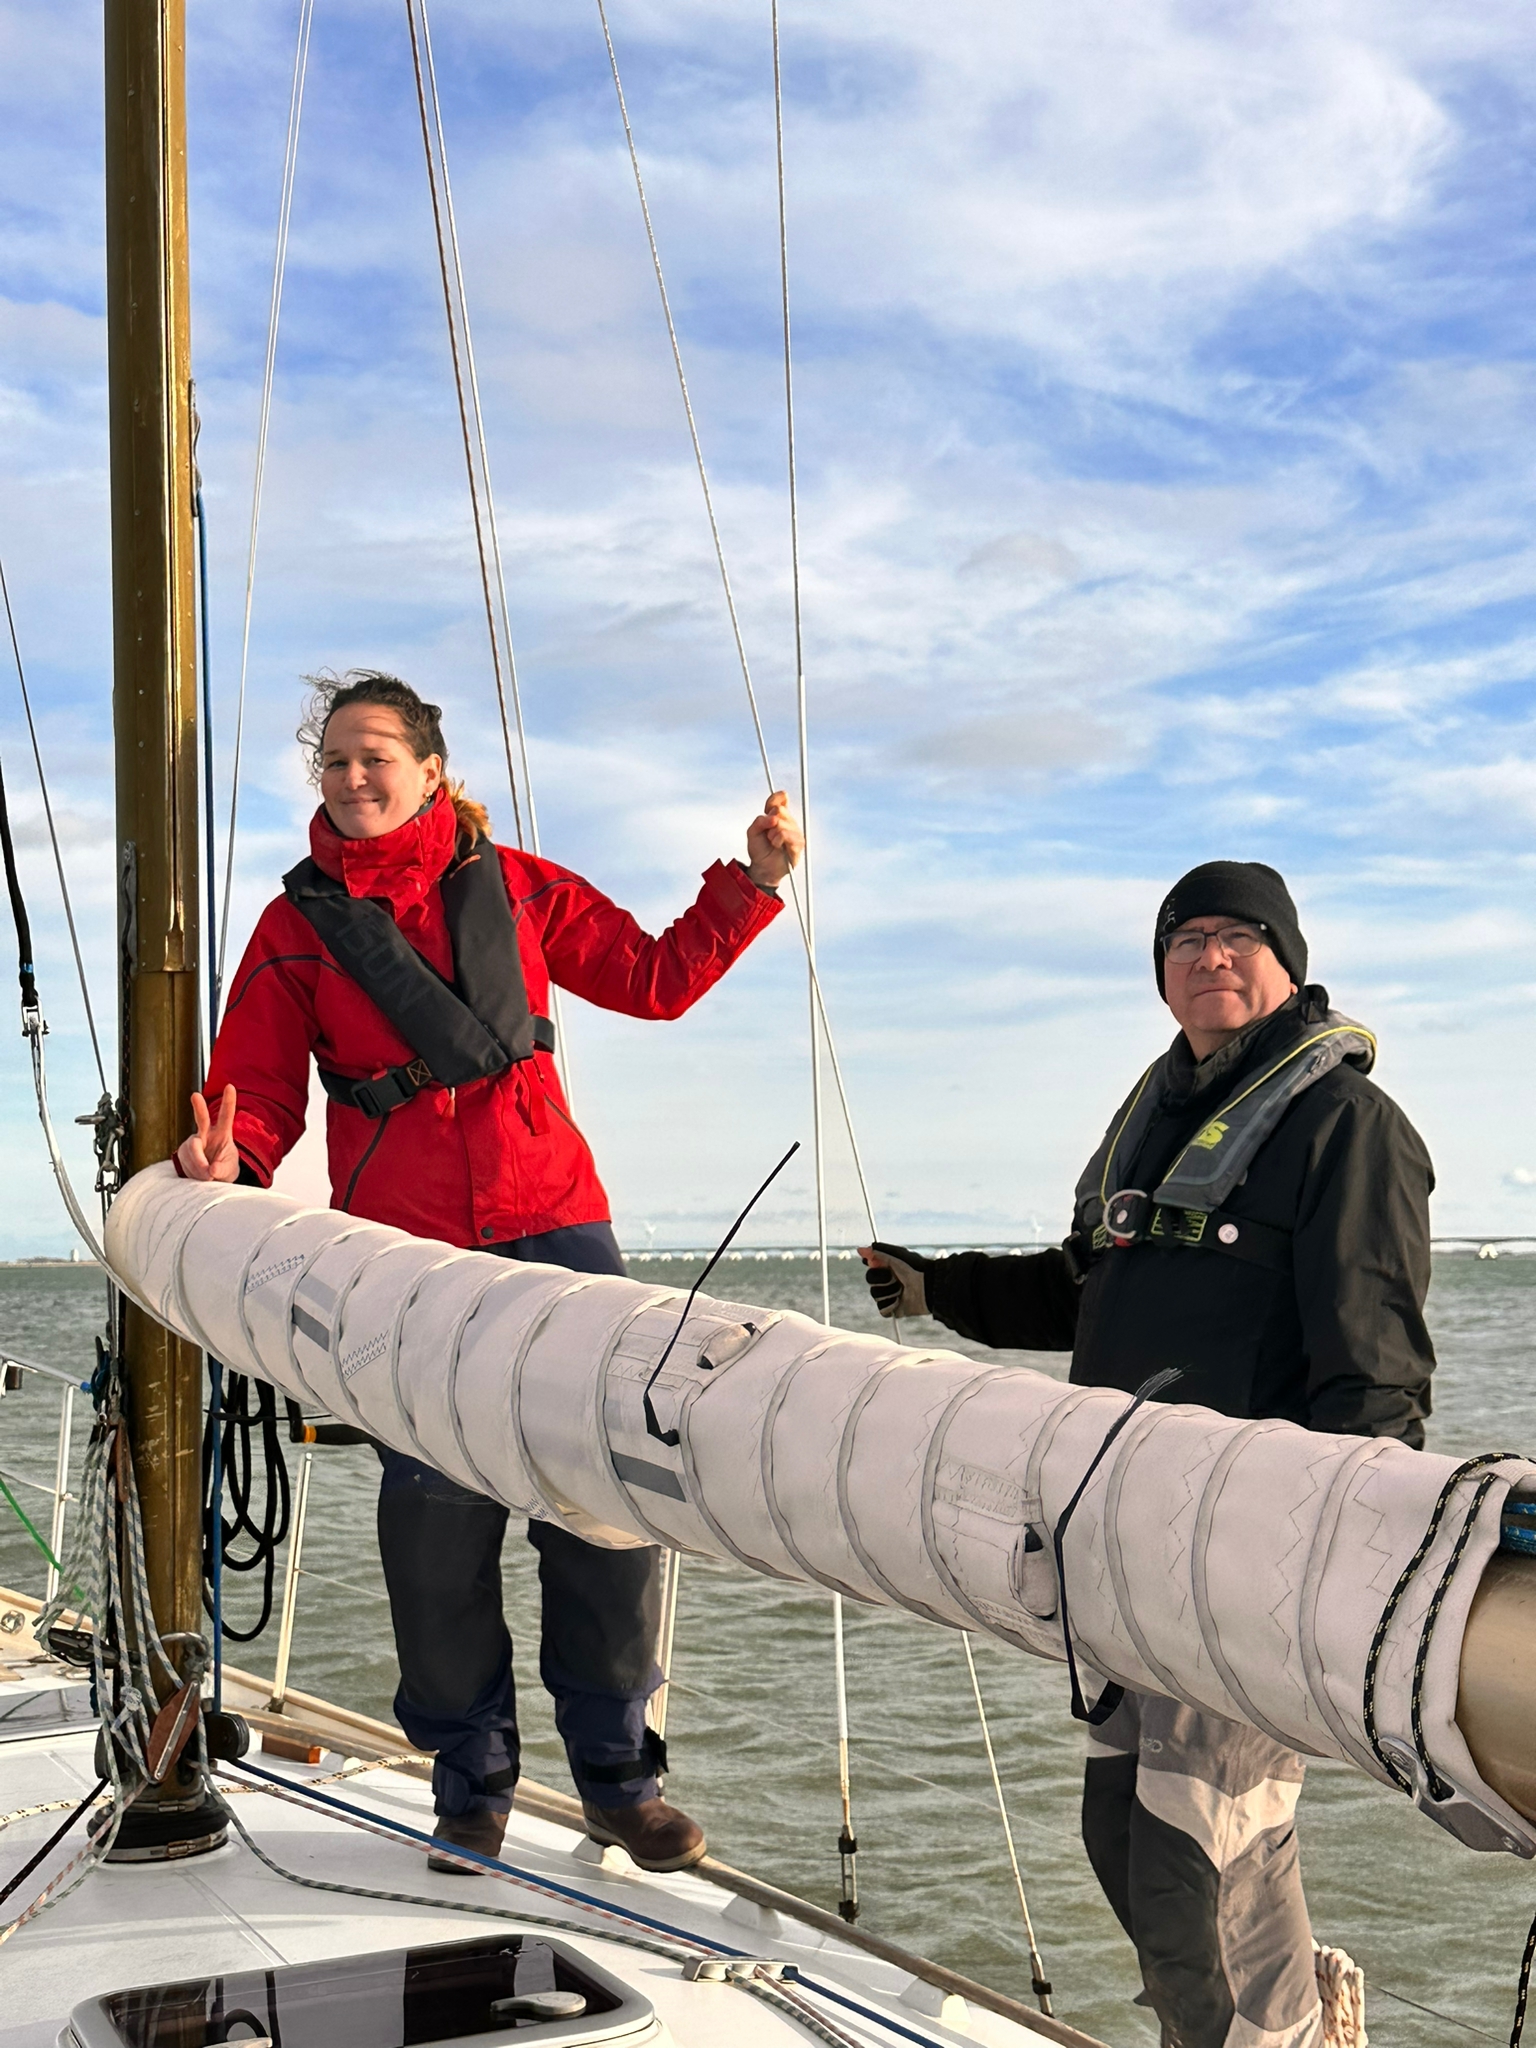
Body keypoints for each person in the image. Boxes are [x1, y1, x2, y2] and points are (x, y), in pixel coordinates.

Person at [178, 669, 802, 1876]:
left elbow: (654, 978)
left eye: (376, 756)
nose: (353, 777)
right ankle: (471, 1785)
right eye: (335, 761)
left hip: (556, 1221)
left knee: (605, 1507)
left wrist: (755, 881)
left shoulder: (515, 882)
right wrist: (230, 1156)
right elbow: (255, 1087)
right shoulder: (296, 927)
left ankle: (619, 1778)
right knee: (435, 1529)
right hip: (404, 1251)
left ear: (430, 770)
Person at [859, 861, 1435, 2048]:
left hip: (1250, 1554)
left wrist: (1359, 1556)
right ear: (1162, 971)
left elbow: (1374, 1361)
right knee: (1120, 1830)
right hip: (1130, 1543)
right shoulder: (1164, 1120)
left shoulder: (1346, 1125)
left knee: (1198, 1859)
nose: (1210, 955)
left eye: (1238, 936)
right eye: (1186, 938)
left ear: (1287, 962)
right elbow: (1092, 1293)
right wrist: (934, 1288)